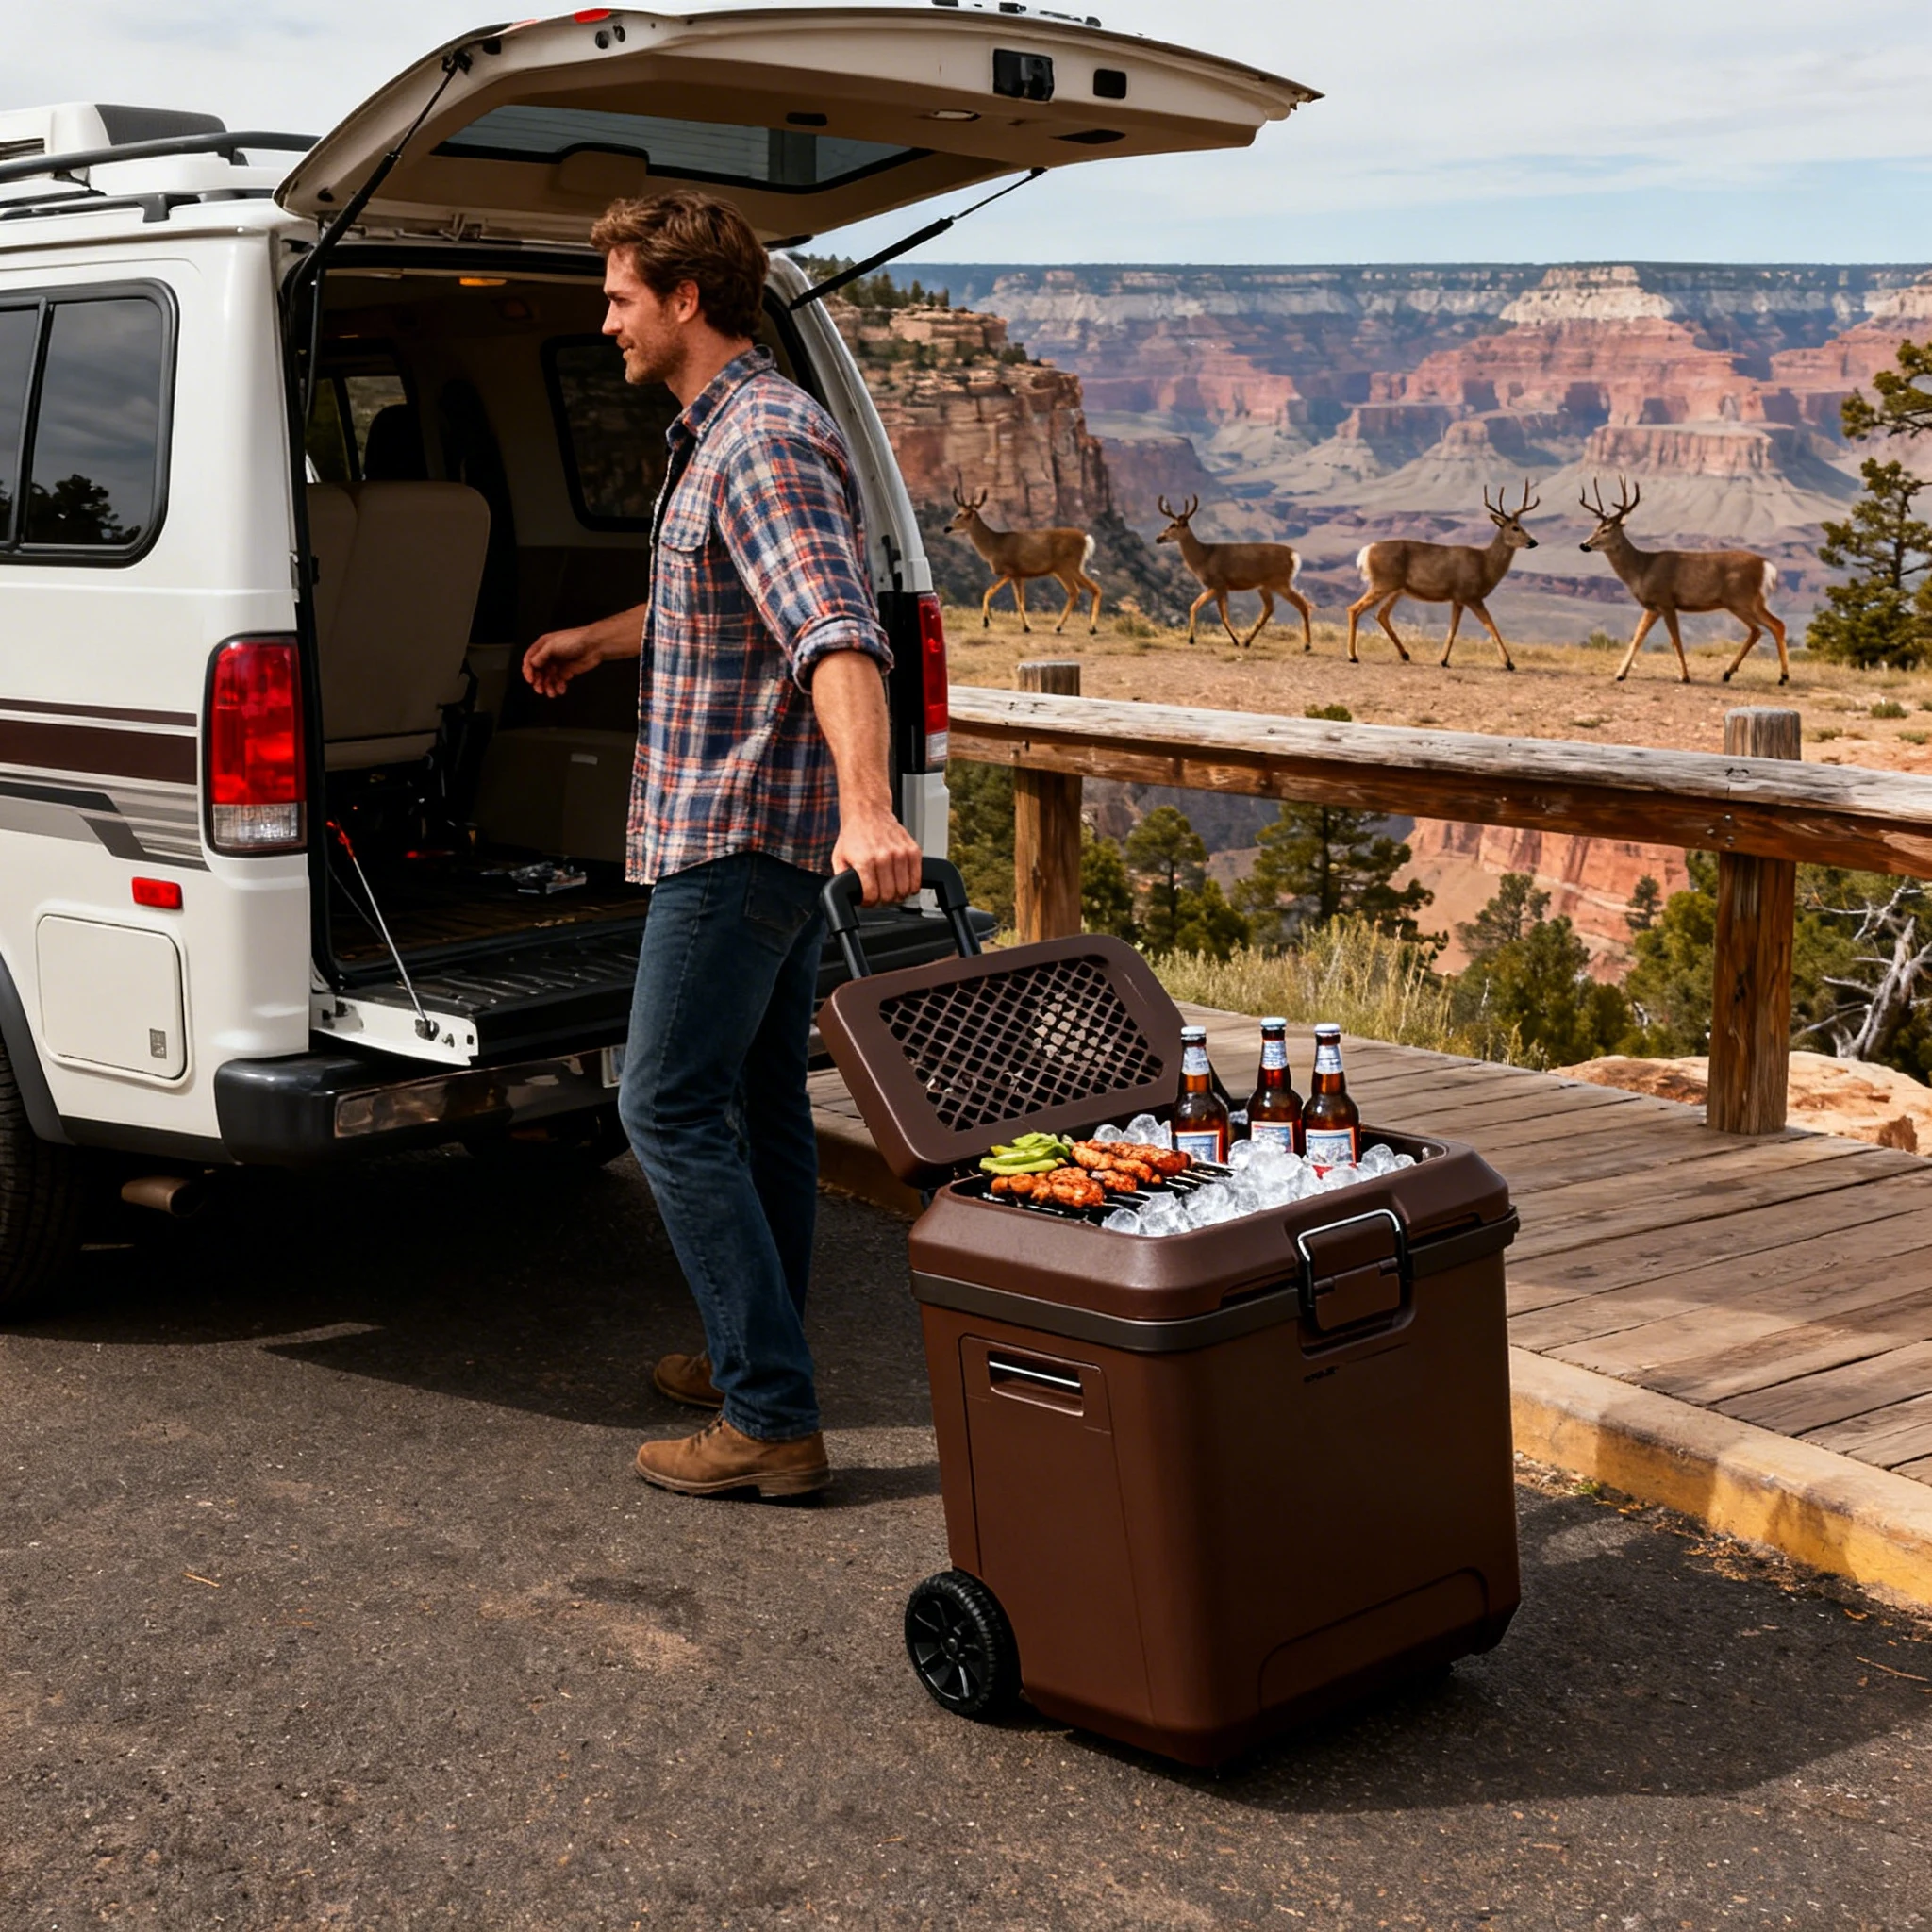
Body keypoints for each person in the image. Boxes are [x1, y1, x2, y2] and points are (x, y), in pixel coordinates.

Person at [522, 191, 924, 1499]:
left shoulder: (761, 440)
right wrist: (598, 637)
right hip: (750, 832)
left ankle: (768, 1418)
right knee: (756, 1106)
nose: (608, 322)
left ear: (686, 300)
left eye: (621, 299)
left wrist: (872, 808)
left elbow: (837, 634)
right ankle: (761, 1351)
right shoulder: (730, 436)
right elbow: (727, 596)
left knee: (662, 1103)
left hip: (741, 836)